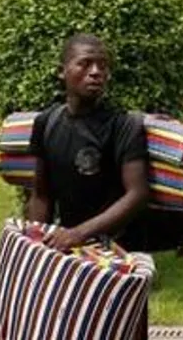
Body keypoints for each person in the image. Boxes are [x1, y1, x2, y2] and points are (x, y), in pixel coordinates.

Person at [26, 34, 150, 251]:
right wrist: (35, 243)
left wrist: (79, 234)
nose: (95, 72)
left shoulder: (123, 125)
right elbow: (41, 195)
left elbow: (137, 194)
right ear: (62, 71)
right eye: (84, 64)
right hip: (68, 243)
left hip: (116, 247)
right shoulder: (46, 122)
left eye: (102, 66)